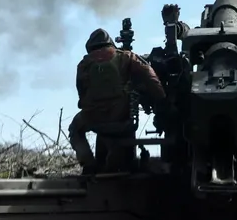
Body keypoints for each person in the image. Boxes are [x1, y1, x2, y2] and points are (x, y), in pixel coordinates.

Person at [69, 28, 166, 175]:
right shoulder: (126, 57)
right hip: (120, 115)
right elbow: (149, 76)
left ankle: (88, 164)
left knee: (75, 129)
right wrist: (161, 99)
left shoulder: (84, 64)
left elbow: (81, 91)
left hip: (93, 117)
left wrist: (90, 108)